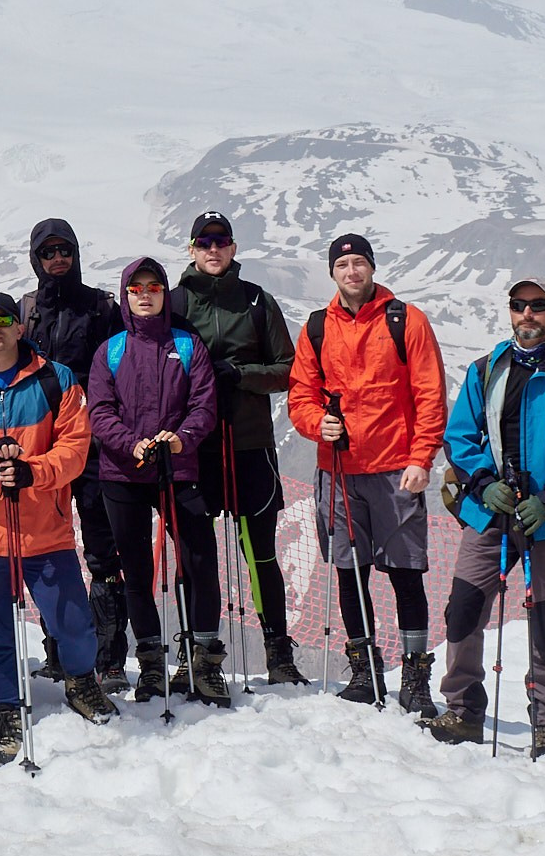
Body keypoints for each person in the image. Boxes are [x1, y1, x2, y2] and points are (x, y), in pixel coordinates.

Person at [426, 275, 545, 756]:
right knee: (464, 608)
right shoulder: (486, 370)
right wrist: (485, 484)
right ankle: (464, 710)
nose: (526, 314)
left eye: (538, 305)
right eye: (518, 305)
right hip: (492, 515)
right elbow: (460, 437)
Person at [0, 291, 117, 766]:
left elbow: (74, 448)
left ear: (18, 327)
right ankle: (6, 708)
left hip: (43, 528)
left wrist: (33, 471)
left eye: (3, 319)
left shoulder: (56, 381)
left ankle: (81, 681)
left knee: (72, 624)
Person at [287, 234, 449, 710]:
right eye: (343, 264)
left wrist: (422, 459)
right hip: (337, 470)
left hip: (396, 469)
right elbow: (301, 395)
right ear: (332, 272)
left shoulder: (406, 320)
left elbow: (429, 394)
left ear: (372, 268)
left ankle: (416, 676)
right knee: (348, 572)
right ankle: (365, 671)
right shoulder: (317, 328)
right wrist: (320, 423)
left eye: (360, 262)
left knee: (405, 573)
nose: (352, 271)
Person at [169, 210, 307, 686]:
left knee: (261, 554)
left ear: (232, 248)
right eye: (203, 241)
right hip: (195, 446)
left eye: (221, 241)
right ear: (191, 249)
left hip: (250, 445)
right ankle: (197, 649)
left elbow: (288, 369)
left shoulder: (257, 301)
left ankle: (277, 652)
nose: (213, 249)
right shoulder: (175, 303)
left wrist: (240, 376)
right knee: (196, 555)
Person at [86, 258, 227, 704]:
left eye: (153, 286)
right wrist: (132, 444)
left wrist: (182, 439)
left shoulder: (187, 345)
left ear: (165, 293)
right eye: (136, 288)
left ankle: (203, 661)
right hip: (123, 473)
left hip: (178, 468)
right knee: (136, 571)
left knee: (199, 560)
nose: (145, 294)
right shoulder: (110, 350)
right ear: (126, 295)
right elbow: (99, 411)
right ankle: (150, 664)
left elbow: (204, 403)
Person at [18, 218, 126, 687]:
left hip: (96, 445)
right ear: (36, 259)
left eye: (65, 250)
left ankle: (110, 657)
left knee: (104, 551)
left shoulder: (102, 308)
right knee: (48, 549)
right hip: (43, 448)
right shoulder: (26, 313)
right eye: (48, 252)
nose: (57, 259)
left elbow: (123, 369)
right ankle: (58, 651)